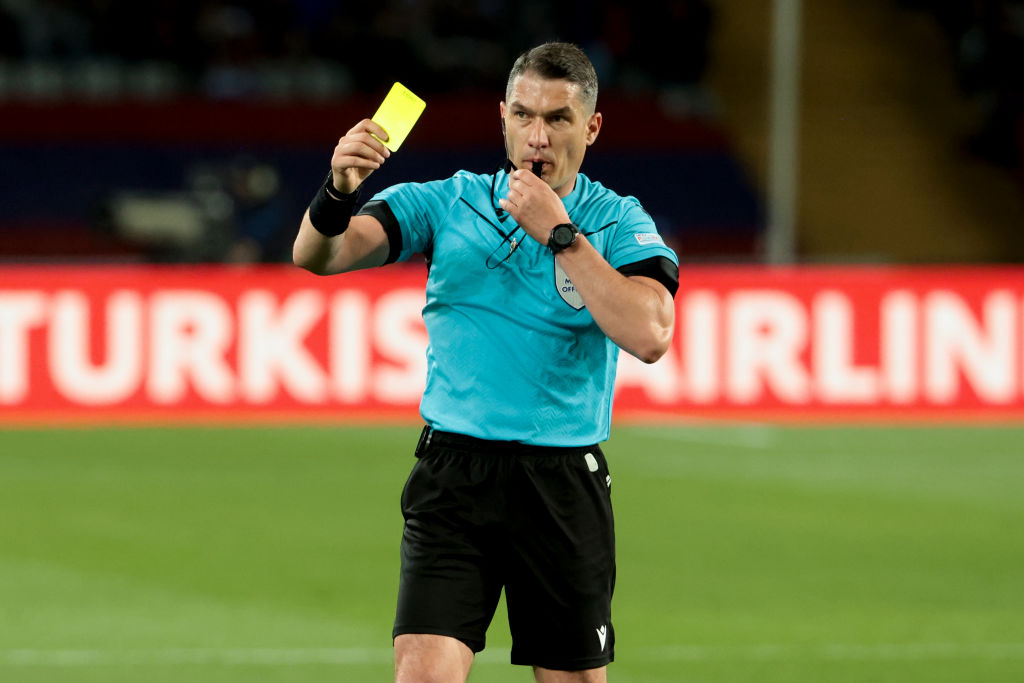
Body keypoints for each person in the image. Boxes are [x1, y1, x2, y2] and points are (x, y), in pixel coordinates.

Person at [293, 42, 679, 683]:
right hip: (454, 474)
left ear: (592, 127)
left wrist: (559, 233)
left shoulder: (615, 220)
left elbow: (650, 333)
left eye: (557, 119)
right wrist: (337, 189)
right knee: (421, 673)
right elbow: (319, 255)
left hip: (561, 480)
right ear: (501, 116)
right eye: (523, 115)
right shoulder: (447, 203)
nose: (538, 136)